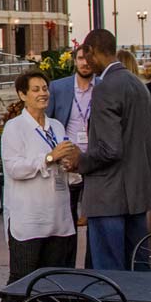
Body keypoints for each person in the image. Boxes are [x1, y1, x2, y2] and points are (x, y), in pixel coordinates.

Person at [74, 29, 151, 275]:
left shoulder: (106, 87)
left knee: (110, 275)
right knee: (139, 268)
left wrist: (81, 161)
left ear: (91, 51)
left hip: (109, 197)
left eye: (86, 55)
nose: (86, 62)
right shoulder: (138, 85)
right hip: (136, 194)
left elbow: (110, 150)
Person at [3, 68, 80, 281]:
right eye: (35, 89)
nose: (43, 93)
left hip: (57, 218)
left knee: (48, 283)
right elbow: (14, 168)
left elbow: (64, 164)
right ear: (22, 95)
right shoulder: (14, 127)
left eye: (45, 88)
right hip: (29, 219)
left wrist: (71, 164)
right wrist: (48, 158)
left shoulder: (56, 126)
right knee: (20, 282)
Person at [48, 50, 96, 261]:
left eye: (88, 59)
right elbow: (47, 121)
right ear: (75, 61)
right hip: (66, 160)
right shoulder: (59, 87)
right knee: (67, 217)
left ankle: (91, 269)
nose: (85, 63)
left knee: (95, 219)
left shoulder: (103, 87)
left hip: (95, 160)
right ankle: (67, 266)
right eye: (80, 59)